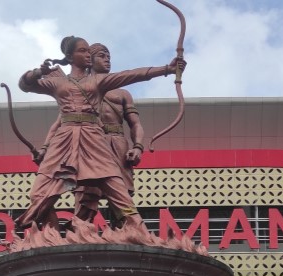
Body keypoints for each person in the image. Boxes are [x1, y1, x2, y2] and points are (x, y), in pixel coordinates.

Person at [15, 36, 184, 231]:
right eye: (83, 51)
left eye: (89, 51)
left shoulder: (99, 81)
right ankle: (44, 231)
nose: (87, 55)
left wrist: (166, 69)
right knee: (41, 190)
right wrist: (39, 72)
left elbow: (132, 75)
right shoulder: (57, 82)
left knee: (115, 185)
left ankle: (137, 229)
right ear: (70, 57)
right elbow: (25, 85)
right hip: (64, 140)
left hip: (93, 137)